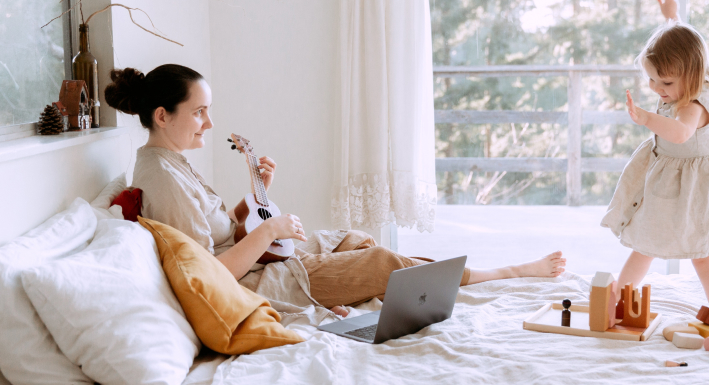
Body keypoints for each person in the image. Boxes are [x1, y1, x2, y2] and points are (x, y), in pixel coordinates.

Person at [104, 64, 566, 317]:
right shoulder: (162, 176)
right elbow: (210, 274)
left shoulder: (170, 162)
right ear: (162, 115)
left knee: (358, 240)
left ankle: (403, 288)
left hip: (263, 262)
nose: (210, 122)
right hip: (257, 282)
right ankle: (501, 273)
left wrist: (256, 196)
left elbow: (221, 229)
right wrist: (270, 231)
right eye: (200, 112)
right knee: (382, 261)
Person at [600, 0, 709, 320]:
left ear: (692, 74)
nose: (658, 90)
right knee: (643, 244)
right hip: (668, 182)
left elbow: (680, 133)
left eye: (666, 84)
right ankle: (620, 304)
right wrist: (671, 17)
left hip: (699, 188)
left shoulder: (694, 104)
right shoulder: (682, 78)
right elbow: (687, 43)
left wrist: (647, 117)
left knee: (704, 258)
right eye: (651, 81)